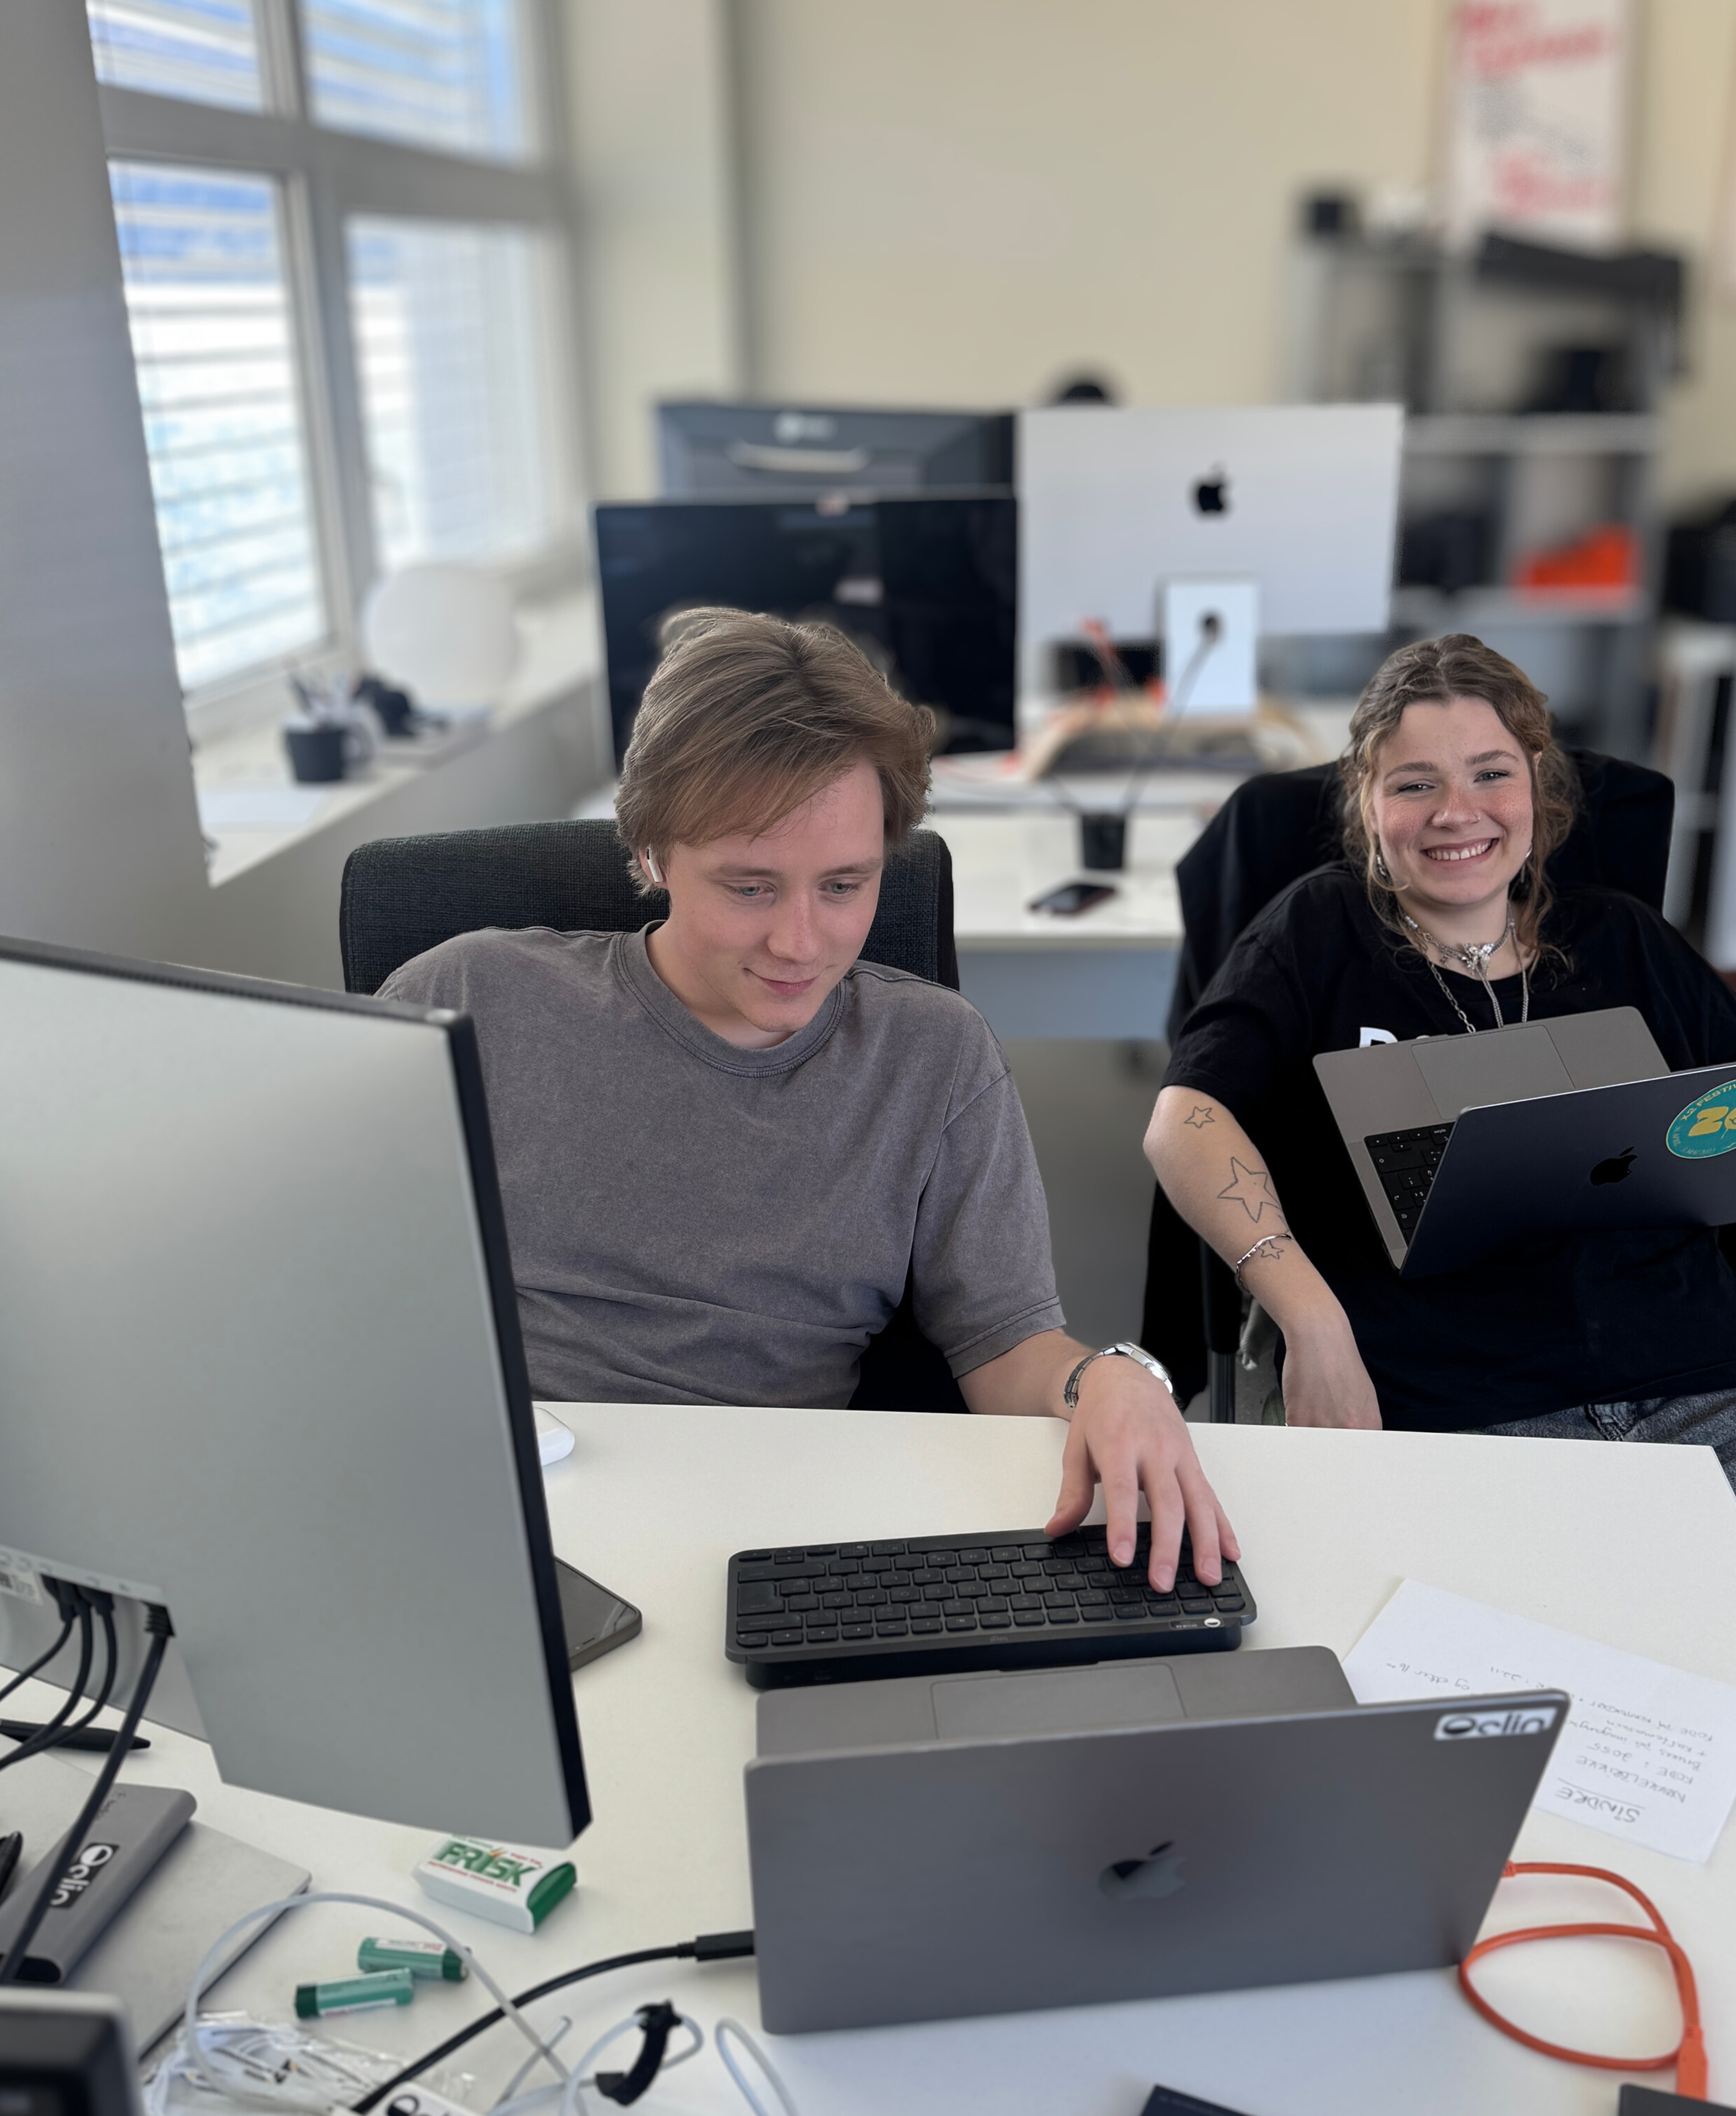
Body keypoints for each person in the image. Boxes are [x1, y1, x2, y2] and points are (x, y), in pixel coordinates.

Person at [1145, 633, 1736, 1957]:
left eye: (1489, 772)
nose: (1457, 811)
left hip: (1716, 1405)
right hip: (1463, 1414)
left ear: (1539, 787)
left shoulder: (1622, 944)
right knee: (1535, 1806)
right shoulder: (1319, 934)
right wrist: (1307, 1310)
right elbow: (1185, 1122)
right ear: (1364, 800)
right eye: (1413, 783)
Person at [383, 607, 1234, 1593]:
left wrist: (1105, 1379)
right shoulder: (469, 998)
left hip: (760, 1536)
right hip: (496, 1515)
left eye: (843, 886)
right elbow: (328, 1277)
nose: (800, 943)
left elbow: (1005, 1345)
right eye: (749, 888)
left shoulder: (933, 1056)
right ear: (651, 852)